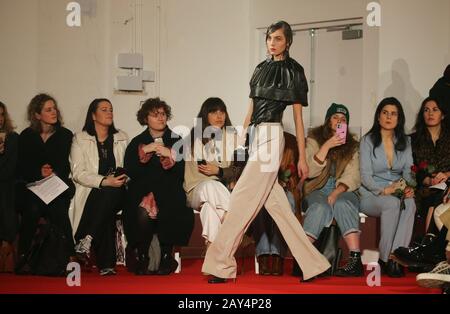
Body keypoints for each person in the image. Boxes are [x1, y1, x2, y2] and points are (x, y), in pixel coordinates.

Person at [202, 20, 330, 283]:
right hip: (255, 136)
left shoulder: (294, 71)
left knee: (241, 199)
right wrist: (241, 141)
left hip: (273, 135)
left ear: (288, 41)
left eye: (278, 38)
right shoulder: (260, 69)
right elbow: (250, 110)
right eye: (269, 38)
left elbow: (297, 118)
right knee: (278, 207)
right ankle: (314, 263)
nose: (272, 43)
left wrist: (303, 157)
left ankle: (220, 264)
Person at [124, 98, 194, 275]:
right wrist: (145, 151)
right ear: (145, 118)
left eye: (163, 114)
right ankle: (142, 255)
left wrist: (169, 153)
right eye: (155, 115)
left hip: (170, 191)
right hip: (143, 191)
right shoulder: (137, 142)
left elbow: (184, 172)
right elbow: (130, 171)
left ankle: (165, 255)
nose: (160, 118)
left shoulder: (176, 140)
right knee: (141, 209)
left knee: (171, 202)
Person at [16, 94, 75, 274]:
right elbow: (22, 167)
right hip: (33, 186)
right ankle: (24, 256)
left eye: (54, 108)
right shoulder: (26, 136)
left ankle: (69, 257)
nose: (54, 112)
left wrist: (53, 173)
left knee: (57, 209)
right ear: (37, 115)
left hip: (57, 184)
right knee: (32, 209)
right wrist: (38, 173)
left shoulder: (65, 135)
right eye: (48, 109)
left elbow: (66, 166)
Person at [302, 103, 362, 277]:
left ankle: (355, 260)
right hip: (317, 188)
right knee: (320, 207)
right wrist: (327, 145)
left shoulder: (353, 145)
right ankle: (304, 257)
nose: (339, 122)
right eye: (335, 117)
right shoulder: (314, 138)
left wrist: (337, 192)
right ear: (328, 120)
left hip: (343, 189)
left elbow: (353, 174)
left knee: (343, 204)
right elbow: (310, 171)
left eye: (343, 120)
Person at [69, 98, 128, 276]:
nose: (109, 112)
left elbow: (130, 166)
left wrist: (121, 178)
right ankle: (107, 264)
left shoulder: (121, 137)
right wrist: (104, 181)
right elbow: (78, 173)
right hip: (91, 190)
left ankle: (86, 238)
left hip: (120, 190)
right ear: (93, 115)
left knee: (110, 194)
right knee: (106, 203)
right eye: (104, 110)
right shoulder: (80, 138)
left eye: (111, 109)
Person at [359, 97, 416, 278]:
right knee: (392, 203)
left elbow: (408, 171)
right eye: (385, 113)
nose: (389, 117)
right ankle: (384, 258)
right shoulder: (367, 141)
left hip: (396, 190)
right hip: (370, 194)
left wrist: (409, 186)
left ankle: (395, 257)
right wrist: (383, 190)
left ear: (399, 118)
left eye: (393, 114)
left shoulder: (405, 142)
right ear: (378, 117)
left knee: (411, 204)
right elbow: (365, 176)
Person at [393, 97, 450, 267]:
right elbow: (410, 170)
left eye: (435, 109)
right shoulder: (413, 140)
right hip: (423, 189)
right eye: (426, 110)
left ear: (443, 115)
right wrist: (428, 179)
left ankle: (428, 247)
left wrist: (447, 174)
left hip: (447, 187)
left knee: (439, 194)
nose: (430, 113)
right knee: (434, 195)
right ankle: (431, 249)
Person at [184, 97, 238, 247]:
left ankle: (213, 254)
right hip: (196, 190)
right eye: (214, 112)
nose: (219, 116)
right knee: (210, 185)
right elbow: (203, 170)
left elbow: (238, 169)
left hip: (223, 193)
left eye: (222, 112)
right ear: (205, 115)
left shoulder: (233, 136)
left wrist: (219, 171)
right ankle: (236, 225)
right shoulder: (194, 138)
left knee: (209, 208)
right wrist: (220, 172)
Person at [252, 132, 301, 276]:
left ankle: (278, 255)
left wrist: (285, 179)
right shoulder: (258, 140)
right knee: (259, 206)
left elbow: (295, 171)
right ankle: (263, 255)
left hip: (286, 187)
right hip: (262, 188)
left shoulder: (291, 140)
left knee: (287, 204)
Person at [0, 102, 19, 273]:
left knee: (5, 192)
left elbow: (9, 170)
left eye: (1, 115)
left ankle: (6, 244)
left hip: (6, 185)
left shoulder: (12, 138)